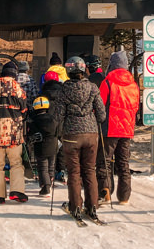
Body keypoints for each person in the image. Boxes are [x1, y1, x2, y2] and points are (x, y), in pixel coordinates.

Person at [54, 56, 106, 223]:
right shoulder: (92, 87)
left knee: (74, 173)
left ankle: (75, 206)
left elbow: (57, 116)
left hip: (71, 135)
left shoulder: (64, 90)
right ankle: (92, 207)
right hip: (91, 134)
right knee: (90, 171)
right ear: (84, 70)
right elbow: (102, 115)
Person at [99, 50, 140, 204]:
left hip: (109, 128)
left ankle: (106, 193)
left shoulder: (107, 82)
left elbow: (100, 106)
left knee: (105, 162)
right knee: (123, 163)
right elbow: (136, 107)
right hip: (127, 130)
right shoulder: (134, 85)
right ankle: (124, 197)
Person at [0, 61, 28, 203]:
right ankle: (17, 191)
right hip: (14, 133)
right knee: (16, 162)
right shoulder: (18, 88)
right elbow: (24, 110)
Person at [83, 54, 109, 201]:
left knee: (91, 156)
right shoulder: (106, 79)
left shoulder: (89, 82)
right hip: (106, 120)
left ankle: (95, 189)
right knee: (104, 157)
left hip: (91, 122)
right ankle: (106, 188)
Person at [27, 95, 61, 196]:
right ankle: (49, 182)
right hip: (53, 146)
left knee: (42, 167)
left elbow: (31, 135)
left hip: (41, 148)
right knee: (51, 166)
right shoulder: (53, 119)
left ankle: (45, 187)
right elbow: (58, 132)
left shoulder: (34, 121)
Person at [39, 69, 66, 184]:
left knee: (50, 147)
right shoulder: (63, 91)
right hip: (62, 122)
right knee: (62, 147)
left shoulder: (43, 93)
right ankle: (61, 170)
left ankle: (49, 173)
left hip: (48, 124)